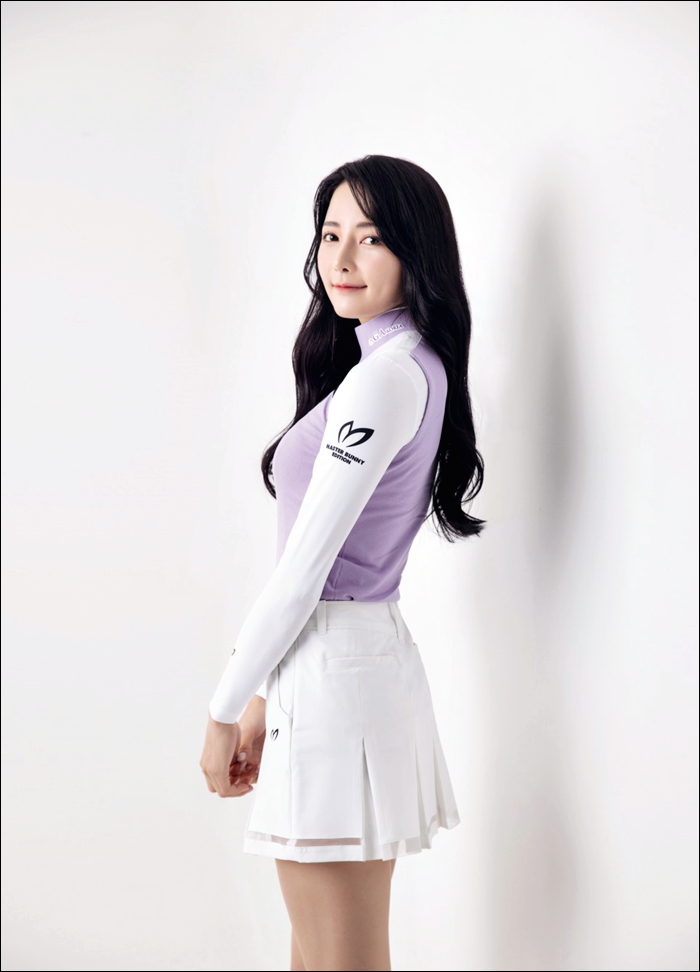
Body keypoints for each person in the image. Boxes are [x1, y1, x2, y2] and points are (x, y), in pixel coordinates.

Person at [199, 154, 485, 971]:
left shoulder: (386, 379)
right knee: (320, 954)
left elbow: (304, 574)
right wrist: (267, 699)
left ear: (415, 251)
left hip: (337, 683)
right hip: (339, 674)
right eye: (331, 235)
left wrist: (224, 709)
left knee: (338, 958)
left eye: (372, 237)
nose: (343, 258)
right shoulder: (404, 365)